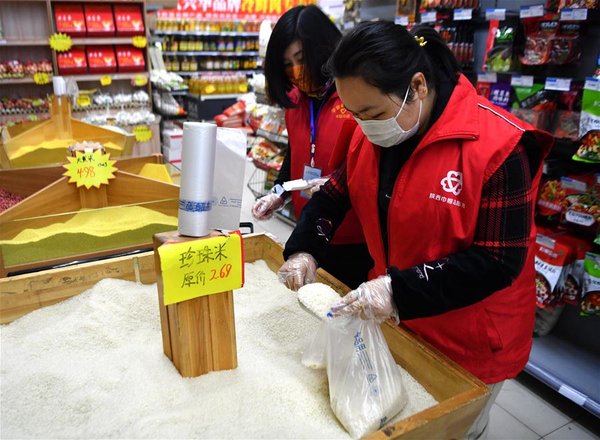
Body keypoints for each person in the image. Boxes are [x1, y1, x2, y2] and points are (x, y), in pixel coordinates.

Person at [278, 22, 553, 439]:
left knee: (453, 430)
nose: (363, 126)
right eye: (353, 114)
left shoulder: (499, 147)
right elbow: (335, 194)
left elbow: (498, 261)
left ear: (418, 86)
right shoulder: (372, 136)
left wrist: (397, 291)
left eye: (371, 113)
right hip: (399, 324)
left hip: (471, 339)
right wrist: (305, 249)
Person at [252, 5, 373, 289]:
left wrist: (336, 184)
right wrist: (279, 193)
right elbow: (296, 150)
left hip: (352, 235)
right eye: (286, 63)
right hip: (308, 225)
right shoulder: (296, 100)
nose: (295, 71)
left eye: (301, 58)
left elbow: (370, 163)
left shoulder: (355, 97)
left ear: (326, 48)